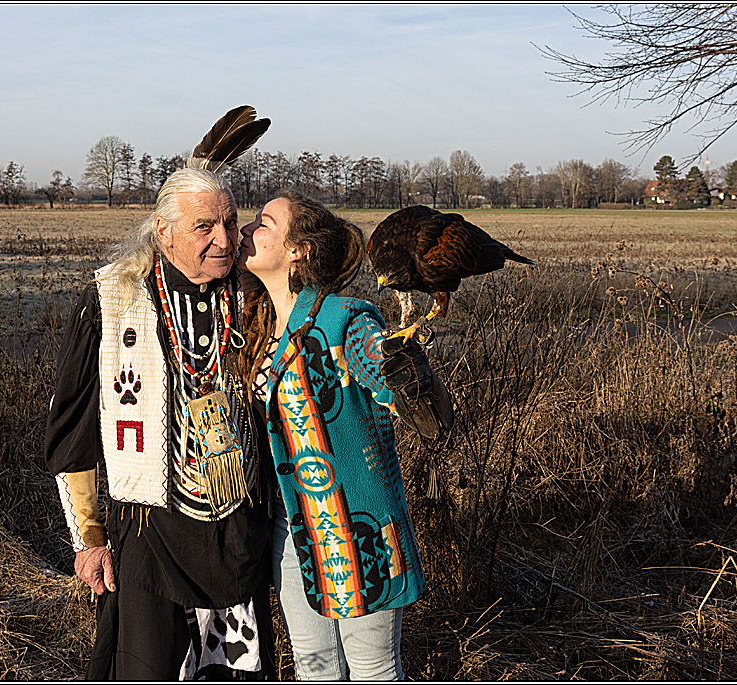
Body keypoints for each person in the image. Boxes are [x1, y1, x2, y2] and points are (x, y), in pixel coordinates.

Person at [44, 167, 276, 680]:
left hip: (237, 536)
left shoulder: (254, 298)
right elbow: (72, 435)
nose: (223, 239)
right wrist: (88, 538)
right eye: (204, 226)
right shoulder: (112, 301)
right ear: (163, 231)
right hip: (150, 536)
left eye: (231, 222)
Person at [236, 191, 453, 680]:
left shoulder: (346, 320)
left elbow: (387, 377)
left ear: (299, 250)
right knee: (314, 671)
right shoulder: (257, 324)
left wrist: (406, 375)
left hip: (358, 532)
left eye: (263, 222)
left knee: (373, 671)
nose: (248, 229)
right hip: (291, 537)